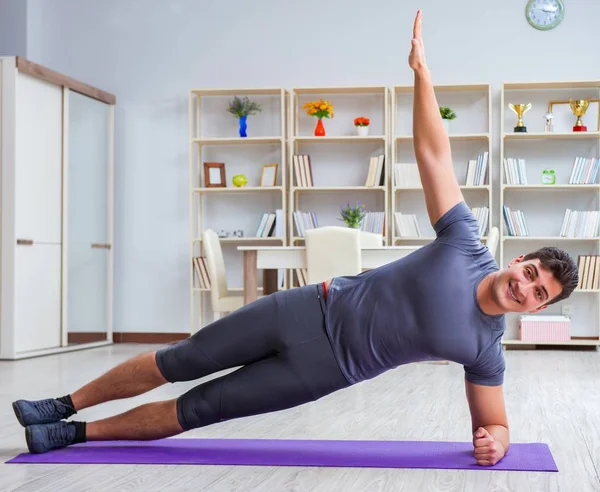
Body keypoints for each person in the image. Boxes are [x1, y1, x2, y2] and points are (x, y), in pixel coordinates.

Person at [12, 11, 578, 466]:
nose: (526, 291)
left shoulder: (485, 348)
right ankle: (60, 403)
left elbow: (493, 422)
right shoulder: (464, 241)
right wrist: (422, 75)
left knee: (200, 409)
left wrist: (497, 443)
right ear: (520, 259)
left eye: (540, 296)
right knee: (181, 358)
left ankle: (74, 433)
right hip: (303, 310)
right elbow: (435, 154)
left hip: (324, 371)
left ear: (539, 307)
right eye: (531, 275)